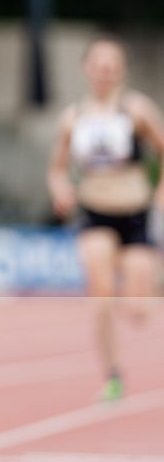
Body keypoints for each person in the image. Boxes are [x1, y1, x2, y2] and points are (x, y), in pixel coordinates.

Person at [47, 36, 164, 399]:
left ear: (122, 70)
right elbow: (57, 169)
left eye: (111, 64)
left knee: (137, 308)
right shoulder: (73, 118)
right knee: (100, 294)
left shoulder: (137, 110)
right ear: (86, 70)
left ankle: (144, 291)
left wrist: (160, 193)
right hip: (96, 213)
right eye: (98, 64)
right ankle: (112, 374)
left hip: (136, 215)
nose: (104, 71)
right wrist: (61, 189)